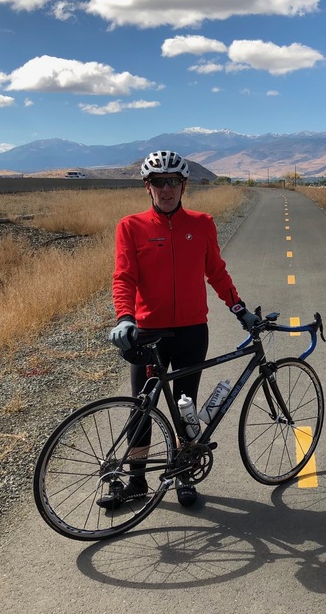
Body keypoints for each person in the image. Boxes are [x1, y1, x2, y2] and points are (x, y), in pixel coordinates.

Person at [101, 150, 259, 509]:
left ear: (184, 185)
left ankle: (183, 473)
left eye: (173, 181)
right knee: (142, 409)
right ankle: (137, 481)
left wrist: (240, 309)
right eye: (159, 182)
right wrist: (124, 318)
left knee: (185, 406)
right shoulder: (131, 226)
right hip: (148, 335)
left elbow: (216, 272)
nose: (166, 189)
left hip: (191, 333)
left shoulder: (202, 223)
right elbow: (123, 277)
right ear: (148, 187)